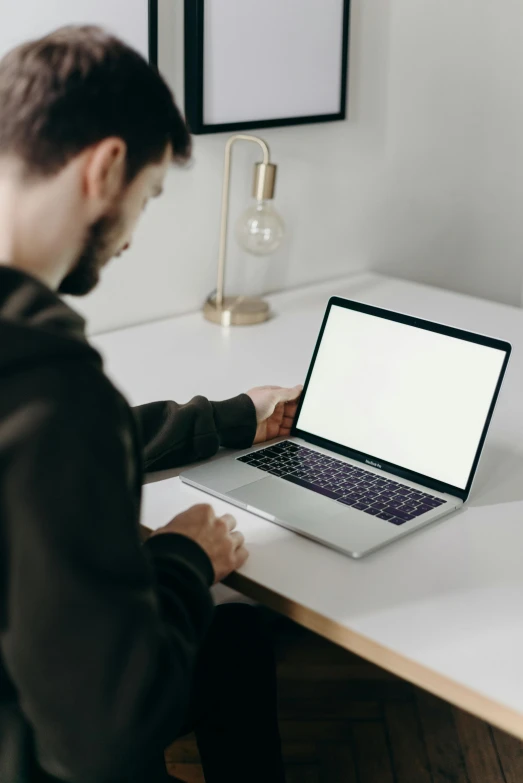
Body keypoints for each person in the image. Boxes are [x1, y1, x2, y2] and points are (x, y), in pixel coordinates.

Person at [0, 26, 302, 783]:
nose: (133, 232)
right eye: (149, 193)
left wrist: (229, 416)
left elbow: (47, 457)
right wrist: (184, 556)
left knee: (230, 644)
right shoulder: (54, 387)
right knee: (227, 628)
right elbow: (106, 733)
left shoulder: (33, 385)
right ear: (106, 167)